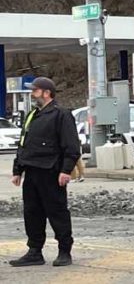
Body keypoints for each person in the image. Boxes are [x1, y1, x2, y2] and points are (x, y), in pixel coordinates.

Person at [9, 77, 81, 268]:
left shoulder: (61, 115)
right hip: (31, 172)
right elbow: (23, 144)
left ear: (46, 93)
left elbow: (72, 146)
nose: (32, 94)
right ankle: (34, 251)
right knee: (32, 213)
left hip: (51, 172)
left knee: (57, 212)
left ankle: (64, 251)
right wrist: (18, 170)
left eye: (35, 91)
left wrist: (65, 170)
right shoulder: (32, 115)